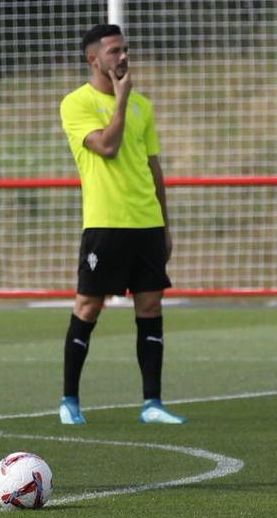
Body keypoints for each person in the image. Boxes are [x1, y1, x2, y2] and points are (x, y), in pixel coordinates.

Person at [55, 24, 185, 426]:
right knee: (89, 307)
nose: (123, 57)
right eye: (114, 51)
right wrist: (122, 101)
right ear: (93, 59)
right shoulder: (76, 104)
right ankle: (70, 400)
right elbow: (107, 147)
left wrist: (164, 225)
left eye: (125, 49)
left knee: (150, 305)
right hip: (105, 223)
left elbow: (153, 167)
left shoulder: (144, 106)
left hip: (145, 222)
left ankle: (152, 403)